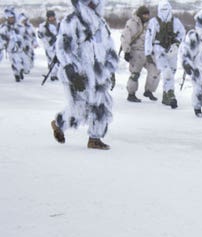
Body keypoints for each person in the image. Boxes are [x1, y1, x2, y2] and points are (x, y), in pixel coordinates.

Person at [49, 0, 118, 150]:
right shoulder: (71, 22)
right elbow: (62, 48)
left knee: (102, 105)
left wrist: (111, 70)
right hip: (79, 73)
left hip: (98, 74)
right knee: (79, 108)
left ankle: (94, 138)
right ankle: (60, 123)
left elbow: (109, 47)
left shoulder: (101, 23)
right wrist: (71, 72)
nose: (93, 4)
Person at [144, 0, 185, 108]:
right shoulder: (154, 22)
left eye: (166, 9)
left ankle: (166, 95)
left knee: (172, 71)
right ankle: (171, 95)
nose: (164, 12)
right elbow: (148, 37)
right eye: (162, 9)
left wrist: (176, 43)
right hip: (159, 50)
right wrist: (148, 52)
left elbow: (182, 33)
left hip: (172, 50)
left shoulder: (175, 21)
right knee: (167, 72)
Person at [121, 5, 160, 103]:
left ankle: (149, 91)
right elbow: (125, 38)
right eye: (144, 15)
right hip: (135, 52)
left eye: (147, 15)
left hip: (148, 53)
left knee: (155, 71)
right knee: (135, 74)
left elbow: (154, 38)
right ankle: (131, 94)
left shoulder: (151, 24)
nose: (146, 17)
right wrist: (126, 51)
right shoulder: (131, 24)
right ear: (139, 14)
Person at [0, 7, 27, 82]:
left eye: (12, 18)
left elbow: (24, 36)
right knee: (14, 62)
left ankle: (21, 70)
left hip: (20, 49)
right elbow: (1, 38)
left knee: (24, 64)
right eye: (10, 18)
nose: (11, 19)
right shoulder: (4, 27)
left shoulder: (19, 26)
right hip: (10, 49)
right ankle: (16, 75)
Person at [37, 10, 59, 82]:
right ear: (47, 17)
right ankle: (53, 74)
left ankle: (56, 74)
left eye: (52, 17)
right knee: (51, 60)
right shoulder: (44, 26)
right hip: (49, 46)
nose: (51, 18)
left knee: (59, 60)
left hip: (58, 45)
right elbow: (40, 35)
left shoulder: (58, 24)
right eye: (50, 17)